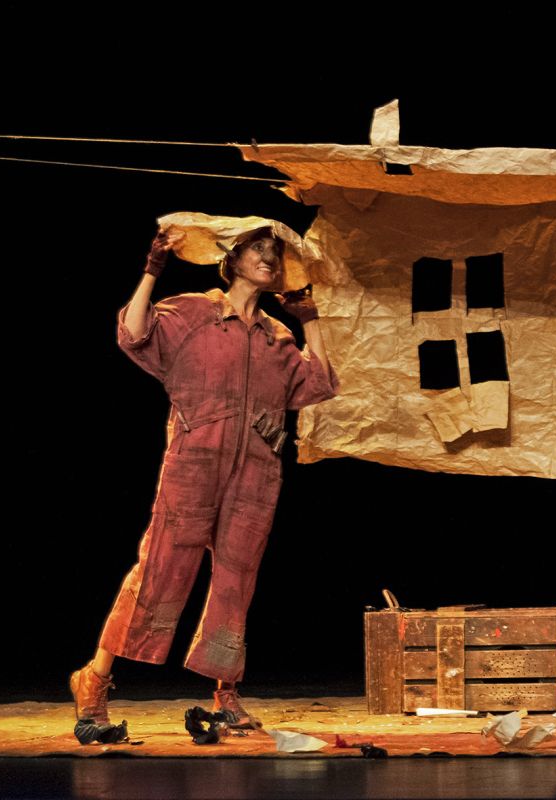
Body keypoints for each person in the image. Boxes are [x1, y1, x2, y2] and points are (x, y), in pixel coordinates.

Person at [70, 223, 338, 731]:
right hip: (195, 462)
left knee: (237, 580)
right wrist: (153, 270)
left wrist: (310, 319)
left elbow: (320, 383)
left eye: (274, 252)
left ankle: (225, 694)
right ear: (232, 259)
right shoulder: (193, 312)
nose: (268, 257)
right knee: (159, 569)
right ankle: (94, 678)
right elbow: (133, 332)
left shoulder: (277, 336)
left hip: (256, 471)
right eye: (257, 248)